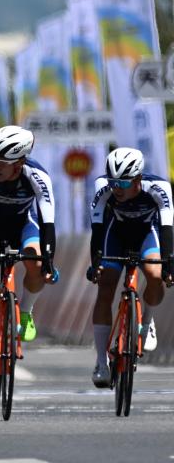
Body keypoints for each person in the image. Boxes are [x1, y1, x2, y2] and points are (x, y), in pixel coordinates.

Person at [0, 125, 56, 403]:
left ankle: (25, 312)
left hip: (23, 227)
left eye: (2, 163)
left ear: (20, 163)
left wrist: (48, 260)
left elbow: (48, 224)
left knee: (35, 259)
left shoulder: (38, 176)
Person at [86, 147, 174, 387]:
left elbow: (167, 228)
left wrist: (169, 264)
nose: (116, 188)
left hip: (147, 232)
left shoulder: (158, 187)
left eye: (123, 183)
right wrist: (95, 263)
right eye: (113, 182)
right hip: (115, 233)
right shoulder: (102, 187)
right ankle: (101, 361)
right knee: (105, 287)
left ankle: (147, 322)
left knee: (155, 274)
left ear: (138, 179)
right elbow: (97, 229)